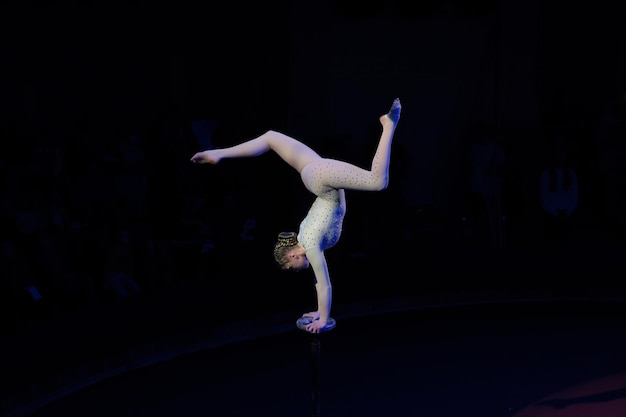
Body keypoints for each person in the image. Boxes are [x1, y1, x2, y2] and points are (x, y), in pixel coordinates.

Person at [190, 98, 402, 333]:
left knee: (378, 182)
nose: (296, 270)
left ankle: (388, 124)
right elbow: (316, 281)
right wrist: (320, 312)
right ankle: (217, 154)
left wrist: (324, 319)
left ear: (292, 255)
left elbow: (324, 285)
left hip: (322, 180)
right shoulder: (305, 239)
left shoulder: (310, 245)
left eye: (291, 268)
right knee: (270, 138)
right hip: (313, 174)